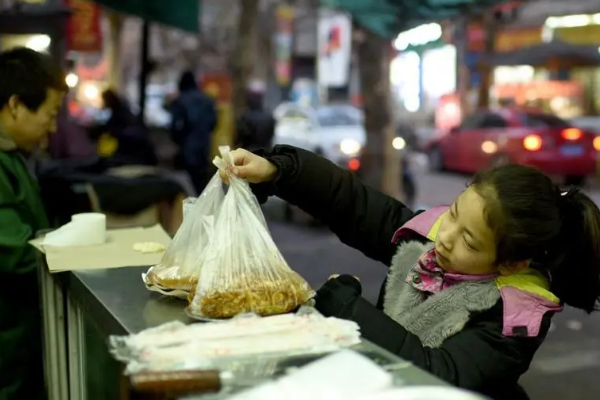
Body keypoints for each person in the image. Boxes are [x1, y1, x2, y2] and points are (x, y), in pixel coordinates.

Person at [221, 145, 600, 400]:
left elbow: (443, 375)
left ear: (512, 263)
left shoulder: (514, 320)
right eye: (453, 214)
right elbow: (352, 204)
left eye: (469, 240)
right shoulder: (430, 241)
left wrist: (349, 310)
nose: (445, 239)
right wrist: (279, 170)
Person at [0, 47, 67, 399]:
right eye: (50, 114)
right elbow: (15, 253)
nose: (53, 128)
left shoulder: (12, 157)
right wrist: (79, 251)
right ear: (15, 105)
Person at [170, 71, 218, 194]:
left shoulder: (180, 101)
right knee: (201, 184)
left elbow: (175, 127)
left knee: (185, 187)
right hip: (204, 148)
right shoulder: (208, 101)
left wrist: (177, 140)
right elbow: (214, 123)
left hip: (186, 149)